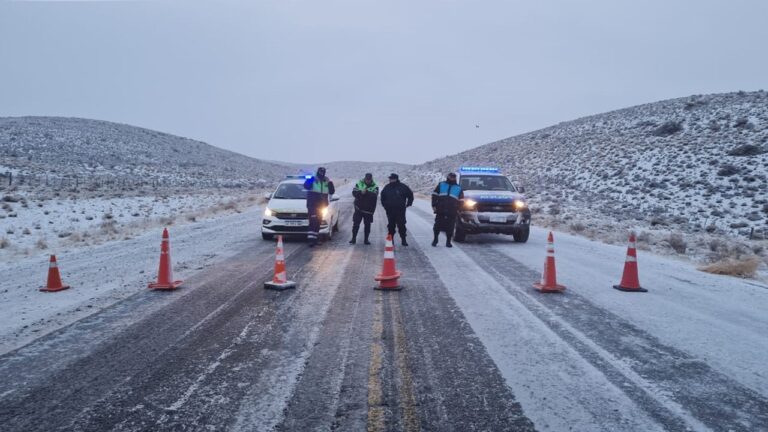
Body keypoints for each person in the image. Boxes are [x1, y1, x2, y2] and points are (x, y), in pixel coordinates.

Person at [303, 167, 335, 247]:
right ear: (318, 172)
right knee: (313, 222)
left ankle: (315, 239)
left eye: (323, 172)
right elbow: (306, 186)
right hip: (312, 205)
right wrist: (310, 180)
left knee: (318, 223)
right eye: (321, 172)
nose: (322, 173)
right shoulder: (313, 179)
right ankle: (311, 241)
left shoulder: (326, 180)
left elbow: (332, 191)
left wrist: (330, 184)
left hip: (321, 206)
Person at [380, 173, 414, 246]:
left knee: (401, 225)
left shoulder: (403, 187)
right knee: (391, 226)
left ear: (396, 179)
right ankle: (390, 240)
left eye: (391, 178)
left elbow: (410, 195)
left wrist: (409, 203)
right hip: (390, 210)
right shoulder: (387, 187)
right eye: (390, 178)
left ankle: (403, 240)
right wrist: (384, 205)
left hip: (400, 210)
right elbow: (382, 196)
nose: (390, 180)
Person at [431, 172, 464, 248]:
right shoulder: (441, 184)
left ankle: (448, 242)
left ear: (455, 178)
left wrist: (459, 209)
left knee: (450, 227)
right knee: (437, 226)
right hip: (440, 210)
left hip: (452, 211)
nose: (452, 178)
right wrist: (434, 205)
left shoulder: (458, 188)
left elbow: (461, 200)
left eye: (453, 177)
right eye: (451, 176)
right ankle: (435, 240)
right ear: (448, 177)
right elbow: (434, 195)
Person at [350, 173, 378, 245]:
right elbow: (354, 193)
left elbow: (375, 196)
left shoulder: (375, 186)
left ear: (371, 179)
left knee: (367, 225)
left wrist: (366, 193)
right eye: (366, 179)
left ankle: (366, 240)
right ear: (365, 178)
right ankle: (353, 238)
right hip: (358, 208)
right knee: (356, 224)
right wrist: (361, 193)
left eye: (369, 179)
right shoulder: (359, 183)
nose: (368, 181)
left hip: (369, 210)